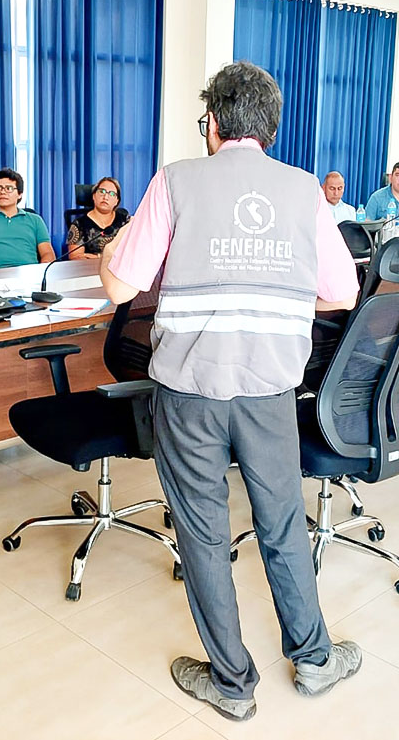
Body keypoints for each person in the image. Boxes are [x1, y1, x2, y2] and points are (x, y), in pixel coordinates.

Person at [99, 61, 361, 722]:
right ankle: (314, 658)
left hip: (190, 391)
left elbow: (119, 287)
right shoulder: (305, 190)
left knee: (204, 534)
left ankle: (232, 683)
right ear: (270, 128)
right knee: (281, 526)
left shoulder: (177, 180)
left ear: (211, 122)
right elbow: (342, 293)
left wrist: (110, 250)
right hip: (272, 390)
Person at [0, 168, 56, 268]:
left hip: (29, 273)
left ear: (20, 194)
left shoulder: (35, 220)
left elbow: (47, 253)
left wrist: (41, 272)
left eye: (8, 188)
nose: (2, 192)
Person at [66, 176, 130, 259]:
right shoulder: (79, 224)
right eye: (102, 191)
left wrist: (97, 257)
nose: (105, 197)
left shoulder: (125, 221)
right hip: (90, 270)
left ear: (116, 201)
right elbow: (76, 257)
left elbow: (134, 250)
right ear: (94, 196)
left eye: (111, 194)